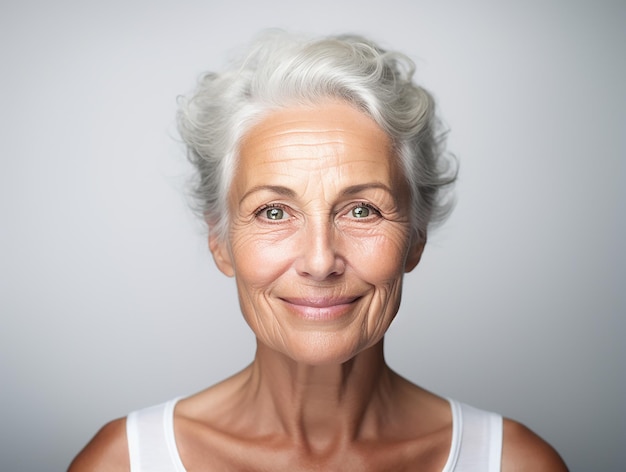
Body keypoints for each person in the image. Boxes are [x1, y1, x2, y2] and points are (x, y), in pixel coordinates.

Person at [69, 31, 568, 471]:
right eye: (273, 212)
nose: (319, 261)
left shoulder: (515, 464)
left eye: (362, 210)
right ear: (219, 241)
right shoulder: (123, 462)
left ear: (415, 237)